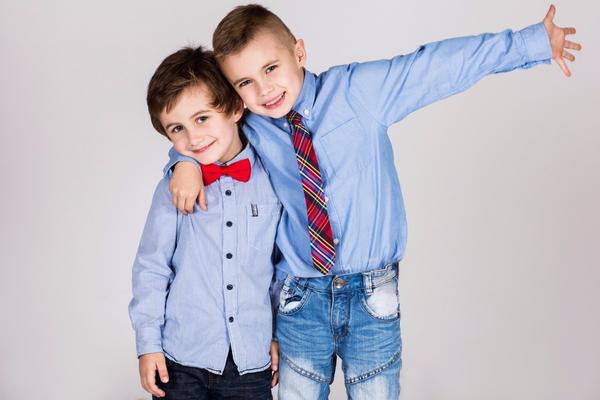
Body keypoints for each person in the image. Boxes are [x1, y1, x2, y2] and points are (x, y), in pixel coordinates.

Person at [164, 4, 581, 399]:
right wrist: (182, 162)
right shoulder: (252, 123)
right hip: (299, 298)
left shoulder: (357, 92)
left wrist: (532, 43)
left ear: (299, 52)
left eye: (270, 68)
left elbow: (434, 67)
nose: (264, 89)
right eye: (245, 83)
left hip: (372, 297)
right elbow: (203, 131)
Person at [128, 46, 281, 399]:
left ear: (235, 108)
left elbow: (281, 268)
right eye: (177, 128)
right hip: (180, 359)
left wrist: (277, 335)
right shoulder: (173, 186)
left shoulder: (272, 180)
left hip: (250, 361)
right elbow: (152, 267)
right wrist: (148, 343)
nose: (193, 139)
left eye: (201, 119)